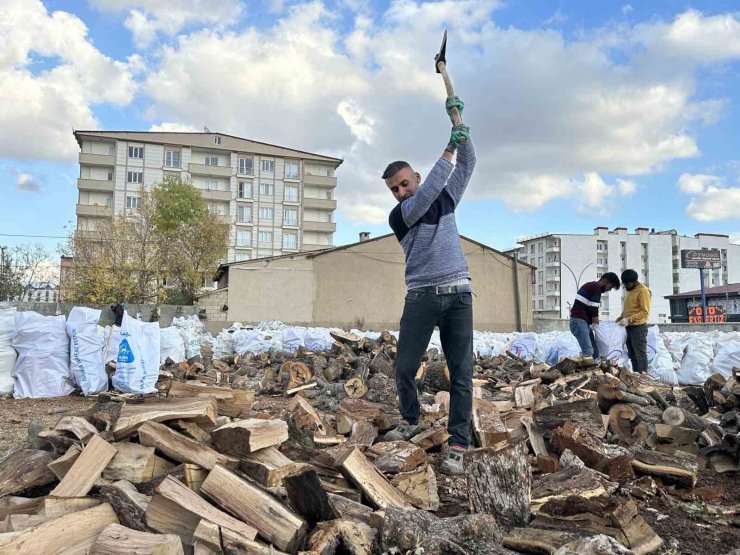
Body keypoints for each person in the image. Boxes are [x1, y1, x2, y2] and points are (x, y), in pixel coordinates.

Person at [382, 95, 475, 476]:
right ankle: (410, 419)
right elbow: (438, 179)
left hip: (459, 296)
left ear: (415, 177)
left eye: (404, 183)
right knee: (404, 367)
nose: (401, 192)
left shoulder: (447, 198)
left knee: (462, 372)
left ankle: (457, 443)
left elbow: (467, 165)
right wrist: (450, 143)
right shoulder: (401, 214)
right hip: (421, 296)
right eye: (395, 189)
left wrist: (461, 127)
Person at [569, 272, 620, 362]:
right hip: (579, 321)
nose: (609, 290)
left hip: (582, 322)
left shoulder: (590, 285)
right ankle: (589, 373)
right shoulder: (596, 288)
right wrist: (598, 324)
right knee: (588, 351)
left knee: (594, 352)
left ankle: (594, 368)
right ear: (605, 282)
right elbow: (593, 309)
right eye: (610, 287)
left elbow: (590, 308)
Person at [616, 269, 652, 373]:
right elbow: (629, 308)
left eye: (627, 284)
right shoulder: (630, 291)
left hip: (638, 328)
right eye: (624, 284)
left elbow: (645, 312)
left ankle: (642, 377)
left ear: (634, 281)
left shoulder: (643, 291)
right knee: (632, 355)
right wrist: (621, 316)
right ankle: (636, 375)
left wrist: (629, 319)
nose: (626, 287)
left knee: (640, 355)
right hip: (628, 327)